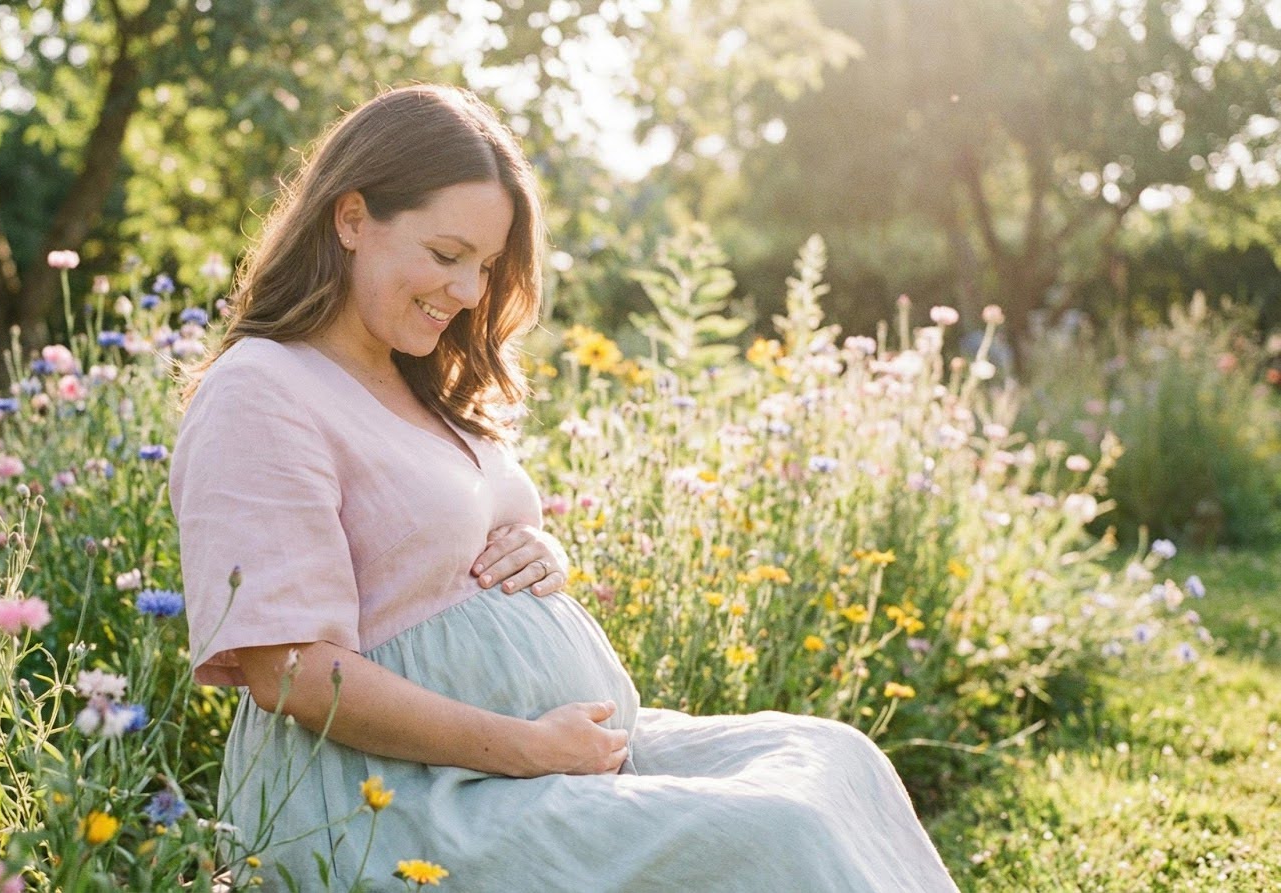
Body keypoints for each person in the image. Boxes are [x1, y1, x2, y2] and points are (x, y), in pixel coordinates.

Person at [169, 84, 959, 892]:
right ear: (351, 219)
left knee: (834, 757)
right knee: (773, 830)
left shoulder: (420, 376)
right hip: (394, 799)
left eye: (485, 266)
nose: (471, 293)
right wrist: (525, 746)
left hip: (547, 755)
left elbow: (441, 541)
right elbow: (288, 669)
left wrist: (538, 548)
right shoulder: (263, 390)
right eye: (447, 255)